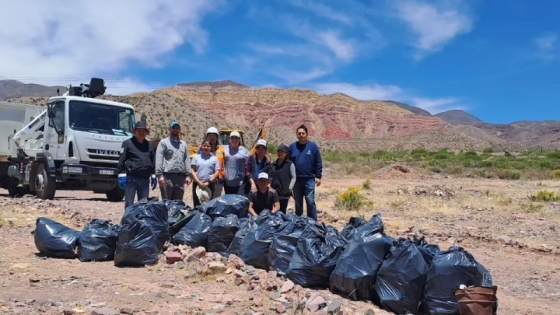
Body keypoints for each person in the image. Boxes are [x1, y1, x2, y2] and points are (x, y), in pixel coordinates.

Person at [117, 120, 157, 209]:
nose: (141, 132)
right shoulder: (127, 143)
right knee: (129, 204)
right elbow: (121, 160)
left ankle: (140, 222)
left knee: (143, 205)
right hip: (131, 178)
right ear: (134, 131)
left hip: (145, 179)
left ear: (146, 132)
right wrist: (121, 173)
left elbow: (153, 160)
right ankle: (128, 222)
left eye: (143, 130)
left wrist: (154, 174)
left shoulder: (149, 145)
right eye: (139, 130)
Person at [288, 124, 322, 220]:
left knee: (310, 201)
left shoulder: (313, 147)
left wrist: (318, 176)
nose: (301, 135)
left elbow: (318, 161)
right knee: (298, 202)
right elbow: (287, 162)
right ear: (296, 135)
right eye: (299, 133)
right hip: (296, 180)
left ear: (307, 134)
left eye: (303, 133)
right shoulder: (292, 147)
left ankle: (312, 223)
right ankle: (299, 223)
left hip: (309, 179)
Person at [155, 120, 192, 201]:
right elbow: (159, 159)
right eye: (173, 128)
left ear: (179, 130)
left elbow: (187, 159)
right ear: (169, 129)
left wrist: (188, 175)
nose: (175, 130)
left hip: (180, 178)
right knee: (167, 202)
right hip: (167, 177)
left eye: (177, 128)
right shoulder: (163, 143)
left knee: (178, 203)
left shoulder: (183, 144)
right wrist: (159, 175)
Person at [197, 127, 226, 198]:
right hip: (206, 180)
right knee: (205, 199)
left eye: (213, 136)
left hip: (218, 180)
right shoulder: (202, 149)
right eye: (210, 136)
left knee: (216, 200)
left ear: (217, 137)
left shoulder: (221, 149)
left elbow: (225, 162)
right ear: (207, 137)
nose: (212, 137)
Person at [191, 140, 220, 207]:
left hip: (209, 185)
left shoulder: (214, 159)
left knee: (208, 204)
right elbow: (192, 170)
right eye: (204, 146)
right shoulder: (196, 157)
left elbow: (217, 172)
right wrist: (198, 182)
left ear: (211, 148)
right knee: (197, 204)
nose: (206, 147)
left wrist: (208, 182)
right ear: (201, 147)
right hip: (197, 185)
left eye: (208, 146)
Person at [268, 144, 296, 214]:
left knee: (282, 211)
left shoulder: (290, 164)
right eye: (278, 151)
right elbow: (270, 176)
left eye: (282, 152)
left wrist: (289, 188)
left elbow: (293, 177)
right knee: (275, 211)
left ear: (286, 153)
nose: (280, 153)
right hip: (274, 192)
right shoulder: (273, 164)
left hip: (284, 193)